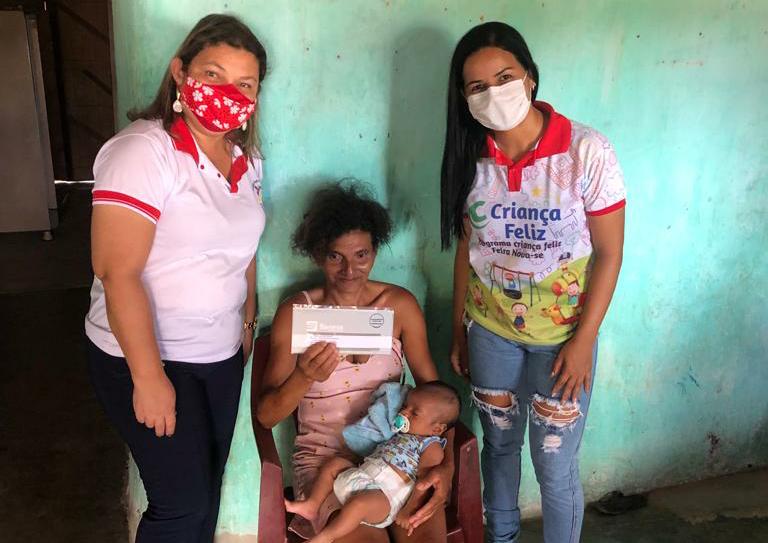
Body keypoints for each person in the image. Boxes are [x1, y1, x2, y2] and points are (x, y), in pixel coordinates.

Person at [85, 14, 268, 542]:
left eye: (245, 83)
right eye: (212, 74)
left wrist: (247, 319)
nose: (228, 93)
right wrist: (147, 378)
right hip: (144, 356)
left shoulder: (247, 160)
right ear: (179, 73)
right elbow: (116, 272)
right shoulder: (143, 151)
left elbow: (244, 248)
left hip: (219, 354)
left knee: (206, 493)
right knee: (181, 505)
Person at [441, 22, 626, 543]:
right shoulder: (469, 158)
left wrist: (584, 340)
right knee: (499, 448)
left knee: (555, 464)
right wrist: (459, 329)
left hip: (563, 340)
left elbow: (609, 254)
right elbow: (467, 252)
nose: (494, 94)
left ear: (530, 77)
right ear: (464, 98)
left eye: (504, 77)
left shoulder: (586, 151)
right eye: (478, 86)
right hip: (490, 332)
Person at [256, 183, 452, 543]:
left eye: (361, 255)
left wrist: (447, 467)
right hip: (327, 466)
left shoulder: (399, 307)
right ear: (318, 255)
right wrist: (304, 376)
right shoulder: (297, 314)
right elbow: (266, 416)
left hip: (399, 458)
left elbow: (438, 399)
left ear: (375, 251)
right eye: (335, 257)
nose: (350, 270)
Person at [285, 382, 461, 543]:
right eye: (405, 406)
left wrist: (408, 509)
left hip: (388, 496)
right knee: (334, 465)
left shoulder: (431, 446)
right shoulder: (398, 434)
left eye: (414, 413)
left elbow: (423, 481)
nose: (404, 413)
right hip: (365, 477)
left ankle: (325, 537)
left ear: (437, 429)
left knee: (358, 506)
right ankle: (312, 504)